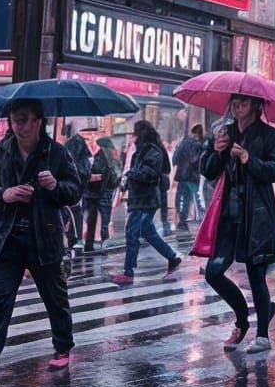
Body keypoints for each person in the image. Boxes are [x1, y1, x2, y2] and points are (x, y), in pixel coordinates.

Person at [0, 99, 81, 385]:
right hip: (7, 239)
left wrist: (55, 186)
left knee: (55, 297)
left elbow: (75, 191)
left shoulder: (57, 153)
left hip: (44, 238)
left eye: (25, 120)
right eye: (16, 120)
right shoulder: (1, 151)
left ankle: (63, 345)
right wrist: (4, 194)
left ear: (39, 121)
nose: (20, 126)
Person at [198, 96, 275, 353]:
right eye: (235, 103)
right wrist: (216, 151)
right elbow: (208, 170)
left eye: (244, 103)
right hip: (228, 215)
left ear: (256, 106)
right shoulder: (225, 133)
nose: (238, 108)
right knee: (213, 272)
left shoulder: (269, 136)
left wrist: (249, 159)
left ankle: (262, 336)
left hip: (257, 216)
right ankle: (243, 319)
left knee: (256, 276)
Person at [110, 120, 183, 285]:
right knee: (147, 231)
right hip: (139, 198)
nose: (133, 136)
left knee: (132, 232)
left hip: (145, 199)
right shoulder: (142, 150)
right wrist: (126, 180)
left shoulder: (152, 151)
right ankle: (172, 257)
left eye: (135, 133)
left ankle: (128, 272)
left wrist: (130, 174)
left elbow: (149, 174)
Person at [82, 135, 120, 251]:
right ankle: (105, 243)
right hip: (108, 192)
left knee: (91, 220)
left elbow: (96, 172)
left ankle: (89, 244)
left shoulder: (100, 156)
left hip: (95, 193)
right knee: (105, 220)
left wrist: (89, 175)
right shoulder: (114, 157)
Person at [62, 127, 91, 248]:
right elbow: (86, 173)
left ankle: (68, 237)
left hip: (66, 189)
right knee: (76, 214)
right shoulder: (84, 159)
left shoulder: (65, 156)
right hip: (78, 190)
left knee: (65, 213)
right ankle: (76, 239)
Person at [173, 124, 203, 229]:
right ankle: (203, 220)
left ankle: (182, 221)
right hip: (193, 176)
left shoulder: (182, 144)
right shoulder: (198, 145)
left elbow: (175, 159)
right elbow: (195, 160)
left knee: (182, 198)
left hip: (182, 175)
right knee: (198, 198)